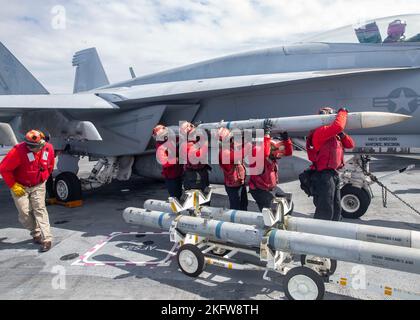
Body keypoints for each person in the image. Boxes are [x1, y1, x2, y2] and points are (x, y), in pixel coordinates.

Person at [0, 130, 55, 252]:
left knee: (40, 209)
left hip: (38, 185)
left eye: (34, 146)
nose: (30, 148)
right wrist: (13, 185)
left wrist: (44, 178)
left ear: (42, 143)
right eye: (29, 145)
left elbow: (50, 164)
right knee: (24, 213)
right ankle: (35, 233)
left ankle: (47, 239)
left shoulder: (48, 148)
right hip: (20, 186)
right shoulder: (18, 151)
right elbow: (4, 169)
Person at [306, 107, 355, 221]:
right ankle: (320, 234)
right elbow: (338, 126)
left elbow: (350, 145)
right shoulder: (320, 132)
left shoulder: (335, 136)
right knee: (325, 209)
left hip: (333, 175)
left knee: (336, 207)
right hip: (323, 176)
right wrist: (342, 112)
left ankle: (333, 230)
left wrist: (342, 135)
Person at [248, 120, 293, 212]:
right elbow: (265, 152)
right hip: (259, 190)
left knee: (288, 204)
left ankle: (284, 222)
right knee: (272, 211)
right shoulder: (257, 152)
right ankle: (268, 225)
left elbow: (288, 152)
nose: (277, 154)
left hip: (271, 187)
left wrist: (286, 139)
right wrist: (267, 134)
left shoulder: (271, 156)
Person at [218, 127, 248, 211]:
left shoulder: (228, 148)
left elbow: (237, 146)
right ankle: (235, 223)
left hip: (239, 183)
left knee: (243, 205)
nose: (232, 140)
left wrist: (243, 138)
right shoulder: (225, 153)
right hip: (233, 186)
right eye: (231, 138)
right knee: (236, 208)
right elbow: (240, 154)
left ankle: (242, 221)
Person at [179, 122, 211, 199]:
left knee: (194, 197)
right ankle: (200, 210)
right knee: (200, 198)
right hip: (196, 175)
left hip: (191, 174)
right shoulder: (190, 146)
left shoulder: (186, 143)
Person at [153, 125, 184, 200]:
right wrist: (178, 159)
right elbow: (165, 162)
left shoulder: (170, 140)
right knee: (175, 196)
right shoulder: (161, 147)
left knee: (179, 193)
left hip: (178, 173)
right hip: (171, 176)